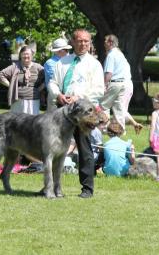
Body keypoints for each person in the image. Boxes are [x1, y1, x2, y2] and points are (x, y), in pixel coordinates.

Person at [48, 29, 104, 198]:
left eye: (86, 41)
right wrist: (58, 94)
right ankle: (51, 187)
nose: (83, 44)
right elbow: (52, 82)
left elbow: (99, 90)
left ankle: (87, 188)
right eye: (80, 41)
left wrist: (79, 98)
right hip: (62, 111)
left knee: (85, 149)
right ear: (72, 42)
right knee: (53, 148)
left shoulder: (94, 65)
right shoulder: (62, 62)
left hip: (83, 113)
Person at [99, 34, 143, 133]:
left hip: (116, 83)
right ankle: (119, 132)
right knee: (119, 110)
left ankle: (102, 128)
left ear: (110, 42)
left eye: (105, 41)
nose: (104, 43)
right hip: (126, 84)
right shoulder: (120, 54)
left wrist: (104, 85)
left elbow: (109, 73)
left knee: (101, 105)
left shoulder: (111, 54)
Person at [0, 46, 44, 115]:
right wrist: (11, 86)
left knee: (32, 122)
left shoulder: (38, 67)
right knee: (16, 122)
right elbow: (0, 75)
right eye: (24, 55)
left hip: (34, 100)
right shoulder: (15, 67)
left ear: (32, 55)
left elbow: (48, 78)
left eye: (28, 55)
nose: (26, 58)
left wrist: (40, 88)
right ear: (20, 55)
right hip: (18, 100)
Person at [44, 38, 72, 112]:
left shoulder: (70, 61)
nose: (67, 52)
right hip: (55, 96)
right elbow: (57, 81)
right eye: (65, 50)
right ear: (57, 51)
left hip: (69, 96)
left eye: (67, 50)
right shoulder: (50, 63)